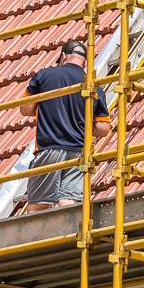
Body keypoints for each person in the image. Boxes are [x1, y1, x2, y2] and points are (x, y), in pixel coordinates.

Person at [20, 39, 110, 212]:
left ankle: (40, 239)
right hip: (78, 151)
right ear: (84, 63)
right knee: (68, 202)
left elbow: (25, 109)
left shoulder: (44, 76)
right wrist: (78, 119)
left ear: (63, 56)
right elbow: (103, 129)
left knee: (39, 205)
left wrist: (48, 109)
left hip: (49, 149)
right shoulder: (94, 86)